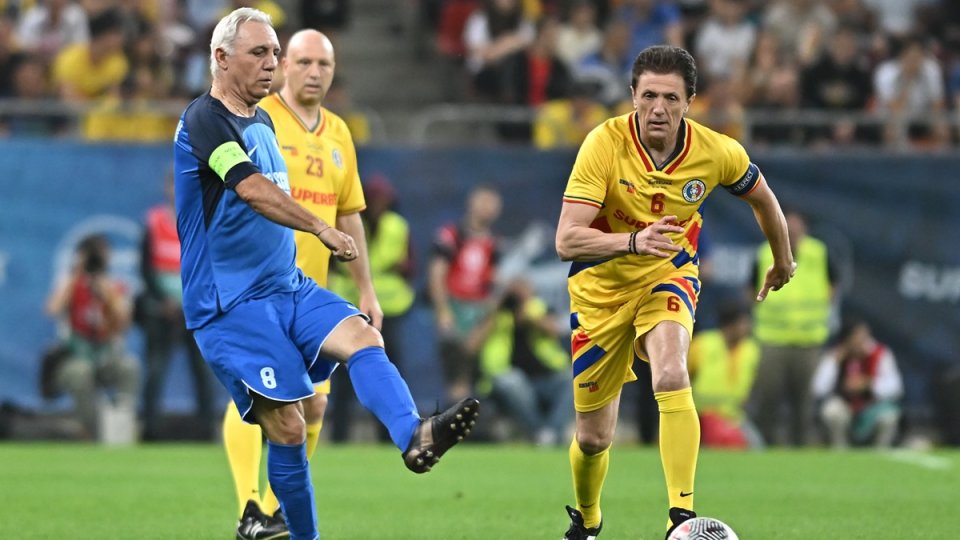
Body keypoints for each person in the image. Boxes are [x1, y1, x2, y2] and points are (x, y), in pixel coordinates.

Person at [173, 9, 479, 540]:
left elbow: (344, 208)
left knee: (363, 336)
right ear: (220, 58)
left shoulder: (268, 121)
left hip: (287, 285)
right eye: (259, 53)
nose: (271, 64)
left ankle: (415, 434)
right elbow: (249, 187)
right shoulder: (204, 120)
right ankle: (270, 520)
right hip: (230, 303)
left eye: (275, 54)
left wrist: (361, 281)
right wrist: (319, 226)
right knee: (288, 425)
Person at [554, 45, 795, 539]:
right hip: (600, 291)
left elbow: (764, 199)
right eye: (648, 96)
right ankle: (589, 518)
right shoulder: (603, 144)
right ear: (633, 96)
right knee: (593, 437)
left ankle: (680, 519)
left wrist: (783, 258)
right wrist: (633, 241)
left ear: (689, 102)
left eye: (670, 98)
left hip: (669, 274)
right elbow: (566, 240)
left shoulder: (717, 151)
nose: (658, 108)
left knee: (670, 371)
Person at [217, 27, 383, 538]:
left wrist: (366, 287)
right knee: (260, 396)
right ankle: (250, 505)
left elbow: (349, 213)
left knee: (313, 403)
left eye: (324, 64)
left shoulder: (339, 133)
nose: (314, 72)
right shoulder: (258, 118)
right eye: (304, 62)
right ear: (284, 65)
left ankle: (272, 513)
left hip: (311, 294)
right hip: (257, 284)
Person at [327, 173, 416, 443]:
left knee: (387, 372)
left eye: (383, 199)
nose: (379, 204)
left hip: (389, 308)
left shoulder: (397, 225)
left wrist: (401, 268)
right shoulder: (348, 221)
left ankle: (388, 437)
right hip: (349, 306)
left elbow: (410, 265)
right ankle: (340, 436)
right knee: (344, 376)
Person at [748, 208, 835, 447]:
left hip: (809, 342)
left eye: (797, 228)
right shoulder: (764, 253)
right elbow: (750, 288)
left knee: (805, 402)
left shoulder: (819, 253)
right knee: (768, 397)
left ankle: (802, 447)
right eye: (788, 228)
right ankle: (764, 445)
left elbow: (833, 284)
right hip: (772, 340)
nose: (793, 233)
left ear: (805, 229)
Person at [137, 173, 213, 441]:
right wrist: (162, 300)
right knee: (156, 368)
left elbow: (207, 265)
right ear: (166, 187)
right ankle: (150, 431)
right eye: (172, 183)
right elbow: (145, 267)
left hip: (195, 307)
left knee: (202, 369)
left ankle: (206, 430)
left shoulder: (200, 219)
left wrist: (195, 300)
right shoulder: (154, 221)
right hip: (163, 310)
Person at [45, 234, 140, 439]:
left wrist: (107, 292)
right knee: (80, 373)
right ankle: (93, 432)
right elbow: (53, 309)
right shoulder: (70, 284)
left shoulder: (114, 286)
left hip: (106, 356)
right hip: (74, 357)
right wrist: (76, 274)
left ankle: (122, 427)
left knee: (129, 367)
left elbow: (124, 321)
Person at [472, 278, 572, 446]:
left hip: (545, 378)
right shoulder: (497, 315)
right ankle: (540, 433)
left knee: (572, 379)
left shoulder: (538, 309)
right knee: (512, 380)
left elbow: (556, 331)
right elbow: (471, 346)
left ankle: (551, 433)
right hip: (508, 379)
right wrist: (496, 311)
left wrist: (528, 314)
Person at [429, 184, 502, 406]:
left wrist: (485, 323)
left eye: (492, 204)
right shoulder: (451, 235)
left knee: (477, 374)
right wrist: (443, 311)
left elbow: (494, 288)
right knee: (456, 373)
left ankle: (474, 416)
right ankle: (454, 416)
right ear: (471, 203)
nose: (488, 208)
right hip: (454, 308)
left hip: (478, 313)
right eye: (483, 202)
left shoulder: (493, 245)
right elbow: (436, 274)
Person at [811, 318, 903, 449]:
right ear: (847, 340)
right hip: (846, 408)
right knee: (832, 411)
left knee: (889, 416)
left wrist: (868, 384)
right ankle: (839, 450)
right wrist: (834, 363)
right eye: (856, 338)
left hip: (872, 407)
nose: (861, 342)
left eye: (864, 338)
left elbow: (896, 387)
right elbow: (818, 389)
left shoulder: (880, 354)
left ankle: (880, 452)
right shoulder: (836, 356)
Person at [688, 301, 762, 450]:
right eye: (742, 323)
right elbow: (684, 377)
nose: (746, 328)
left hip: (734, 417)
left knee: (757, 447)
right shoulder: (703, 344)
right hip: (701, 415)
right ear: (729, 325)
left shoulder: (751, 350)